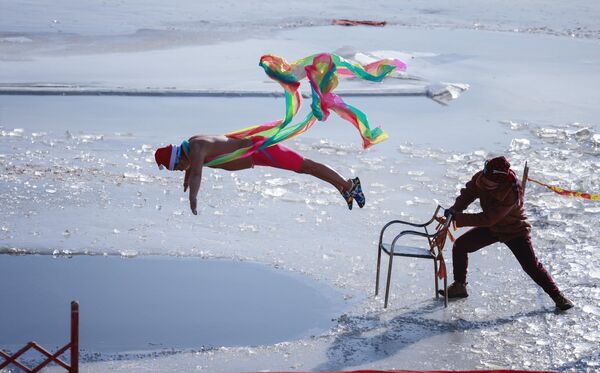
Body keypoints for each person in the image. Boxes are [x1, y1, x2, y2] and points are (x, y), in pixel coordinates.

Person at [442, 156, 574, 311]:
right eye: (485, 178)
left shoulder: (512, 191)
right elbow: (468, 193)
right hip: (493, 228)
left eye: (490, 183)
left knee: (531, 266)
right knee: (461, 245)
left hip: (513, 230)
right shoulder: (481, 177)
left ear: (500, 181)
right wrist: (456, 209)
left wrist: (459, 218)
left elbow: (488, 218)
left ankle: (557, 296)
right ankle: (459, 286)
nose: (485, 183)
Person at [154, 135, 365, 215]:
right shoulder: (191, 148)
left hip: (259, 150)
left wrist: (193, 199)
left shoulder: (196, 149)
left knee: (306, 166)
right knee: (305, 169)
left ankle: (349, 185)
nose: (180, 171)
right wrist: (185, 179)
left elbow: (197, 174)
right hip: (255, 156)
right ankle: (343, 188)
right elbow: (191, 168)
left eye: (177, 168)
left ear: (178, 159)